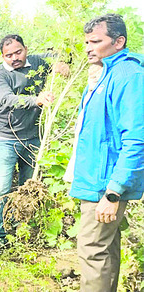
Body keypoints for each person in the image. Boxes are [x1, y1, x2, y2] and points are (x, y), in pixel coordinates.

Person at [66, 14, 144, 291]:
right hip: (95, 179)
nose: (88, 48)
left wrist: (113, 192)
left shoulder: (128, 75)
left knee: (92, 251)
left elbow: (136, 138)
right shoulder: (107, 73)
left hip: (105, 183)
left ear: (119, 42)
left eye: (96, 41)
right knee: (105, 250)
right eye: (86, 42)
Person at [0, 34, 69, 252]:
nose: (14, 58)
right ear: (2, 56)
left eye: (18, 52)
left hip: (33, 138)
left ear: (26, 48)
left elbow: (61, 54)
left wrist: (62, 63)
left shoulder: (38, 61)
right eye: (8, 55)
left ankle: (18, 230)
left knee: (27, 187)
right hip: (5, 138)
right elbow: (7, 99)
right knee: (2, 189)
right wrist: (36, 99)